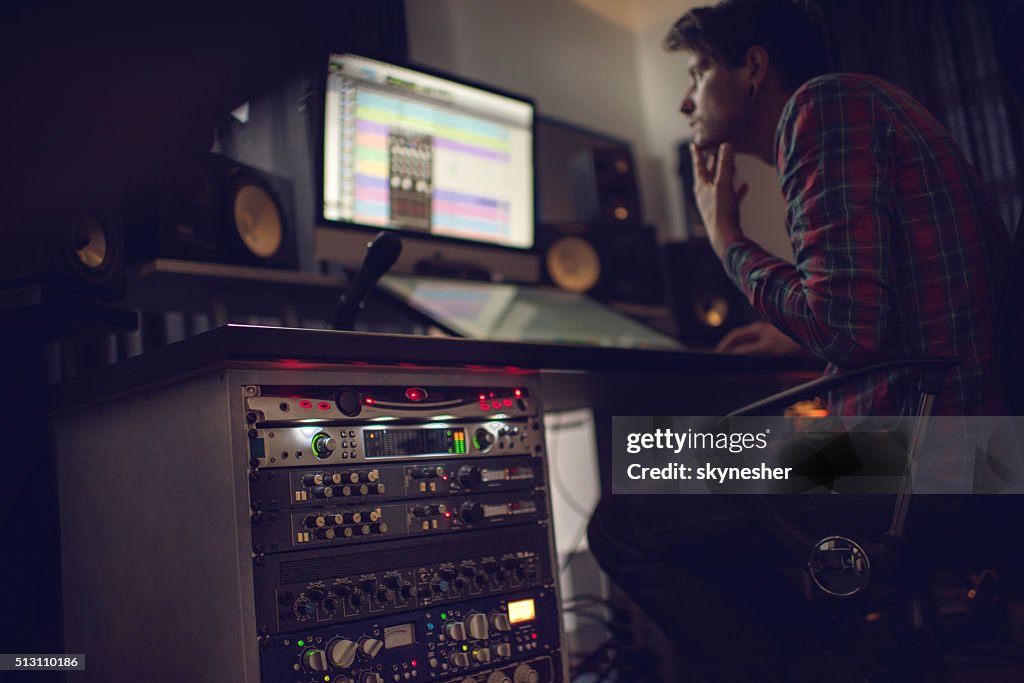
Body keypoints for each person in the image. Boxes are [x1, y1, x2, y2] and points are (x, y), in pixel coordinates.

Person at [588, 0, 1013, 680]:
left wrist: (726, 237)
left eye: (697, 72)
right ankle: (839, 656)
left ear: (752, 67)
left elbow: (846, 324)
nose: (684, 102)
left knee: (627, 509)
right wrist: (796, 344)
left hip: (935, 452)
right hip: (973, 444)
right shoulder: (857, 103)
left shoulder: (822, 106)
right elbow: (875, 316)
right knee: (665, 466)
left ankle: (826, 664)